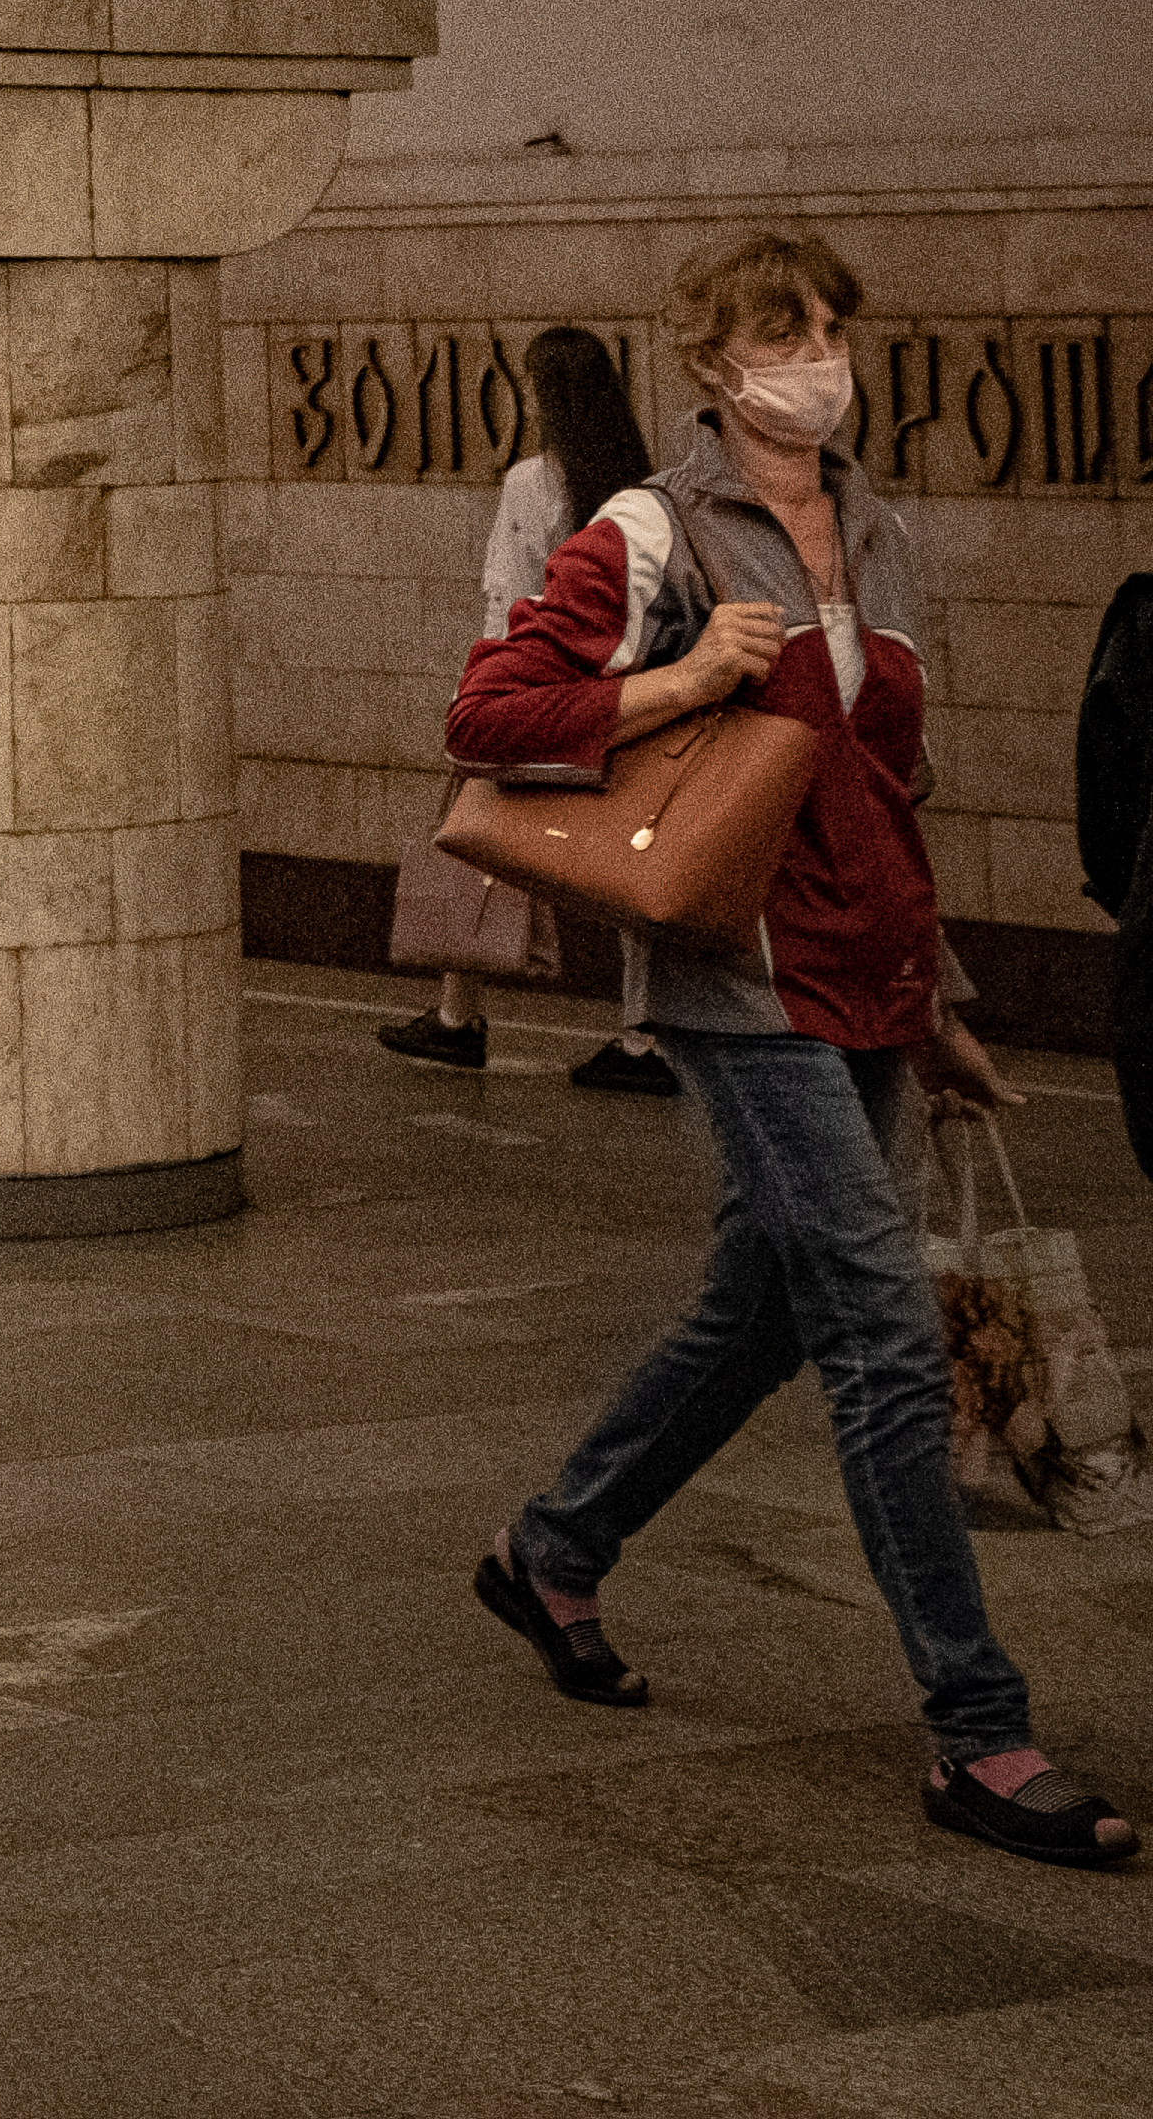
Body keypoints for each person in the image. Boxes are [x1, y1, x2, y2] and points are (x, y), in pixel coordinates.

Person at [454, 231, 1132, 1873]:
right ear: (709, 364)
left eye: (834, 323)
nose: (819, 352)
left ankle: (554, 1550)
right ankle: (978, 1731)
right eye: (784, 329)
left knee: (764, 1314)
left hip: (870, 971)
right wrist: (681, 674)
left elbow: (886, 794)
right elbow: (491, 711)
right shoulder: (655, 529)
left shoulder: (882, 535)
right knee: (887, 1337)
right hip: (739, 975)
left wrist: (939, 997)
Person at [384, 321, 675, 1095]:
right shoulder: (647, 490)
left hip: (536, 700)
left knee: (478, 837)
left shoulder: (529, 484)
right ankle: (642, 1037)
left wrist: (472, 700)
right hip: (623, 697)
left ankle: (458, 1018)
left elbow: (508, 604)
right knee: (627, 865)